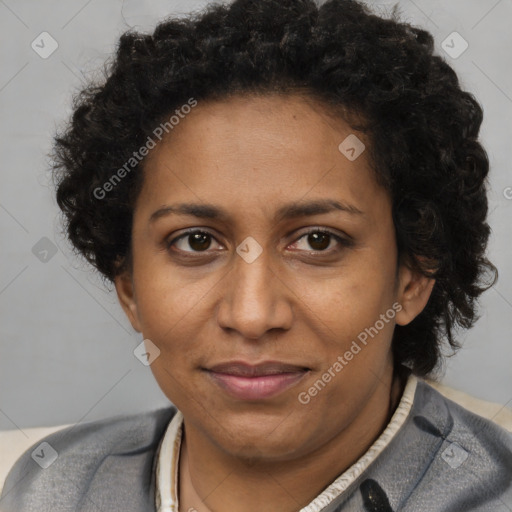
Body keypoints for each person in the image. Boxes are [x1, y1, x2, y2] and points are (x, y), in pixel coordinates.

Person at [1, 0, 511, 510]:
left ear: (412, 277)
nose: (251, 315)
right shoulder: (51, 487)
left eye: (318, 240)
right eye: (196, 241)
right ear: (128, 285)